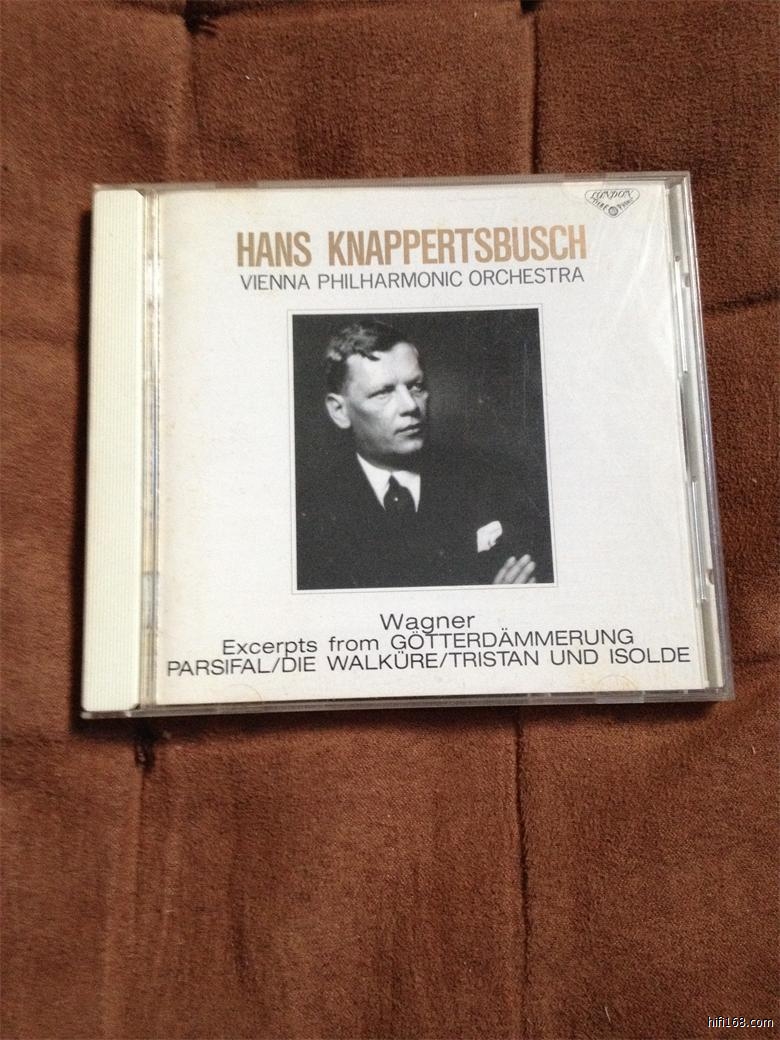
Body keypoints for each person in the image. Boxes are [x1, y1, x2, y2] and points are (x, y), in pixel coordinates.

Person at [296, 319, 551, 590]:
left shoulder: (496, 480)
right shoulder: (308, 513)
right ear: (340, 411)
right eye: (383, 392)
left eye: (416, 386)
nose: (410, 405)